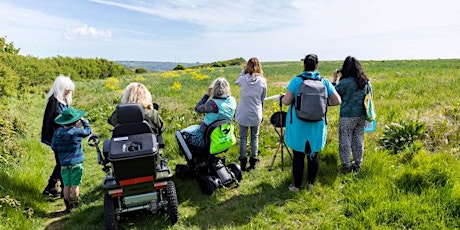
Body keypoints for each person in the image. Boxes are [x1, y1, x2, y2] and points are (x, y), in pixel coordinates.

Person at [281, 54, 341, 192]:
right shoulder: (324, 82)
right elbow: (337, 101)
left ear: (304, 65)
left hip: (298, 124)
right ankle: (310, 185)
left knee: (298, 155)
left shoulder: (296, 81)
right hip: (317, 125)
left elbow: (286, 102)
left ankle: (296, 186)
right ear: (317, 65)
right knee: (313, 154)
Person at [332, 56, 371, 174]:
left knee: (345, 140)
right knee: (358, 139)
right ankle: (357, 164)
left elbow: (333, 94)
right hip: (362, 115)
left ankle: (346, 166)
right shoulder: (365, 82)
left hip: (347, 116)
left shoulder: (345, 82)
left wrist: (334, 79)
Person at [51, 107, 92, 212]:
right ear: (76, 121)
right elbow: (88, 131)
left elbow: (54, 147)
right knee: (75, 185)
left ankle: (67, 206)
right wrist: (85, 122)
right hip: (76, 163)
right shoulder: (76, 132)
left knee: (66, 185)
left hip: (64, 164)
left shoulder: (57, 133)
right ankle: (75, 205)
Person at [41, 75, 75, 197]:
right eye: (67, 89)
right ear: (61, 88)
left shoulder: (61, 100)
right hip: (58, 138)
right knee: (62, 162)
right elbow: (55, 121)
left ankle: (55, 187)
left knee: (61, 162)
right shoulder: (54, 102)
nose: (69, 92)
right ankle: (53, 186)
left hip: (61, 137)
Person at [182, 78, 237, 149]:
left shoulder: (213, 104)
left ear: (214, 89)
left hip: (206, 137)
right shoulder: (232, 100)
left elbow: (197, 108)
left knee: (180, 134)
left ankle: (192, 156)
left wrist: (207, 94)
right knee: (193, 127)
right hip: (223, 135)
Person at [235, 58, 267, 171]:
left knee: (243, 138)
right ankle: (253, 161)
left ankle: (243, 161)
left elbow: (236, 81)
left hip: (243, 112)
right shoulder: (262, 81)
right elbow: (262, 98)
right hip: (256, 111)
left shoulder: (243, 79)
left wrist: (243, 71)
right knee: (255, 137)